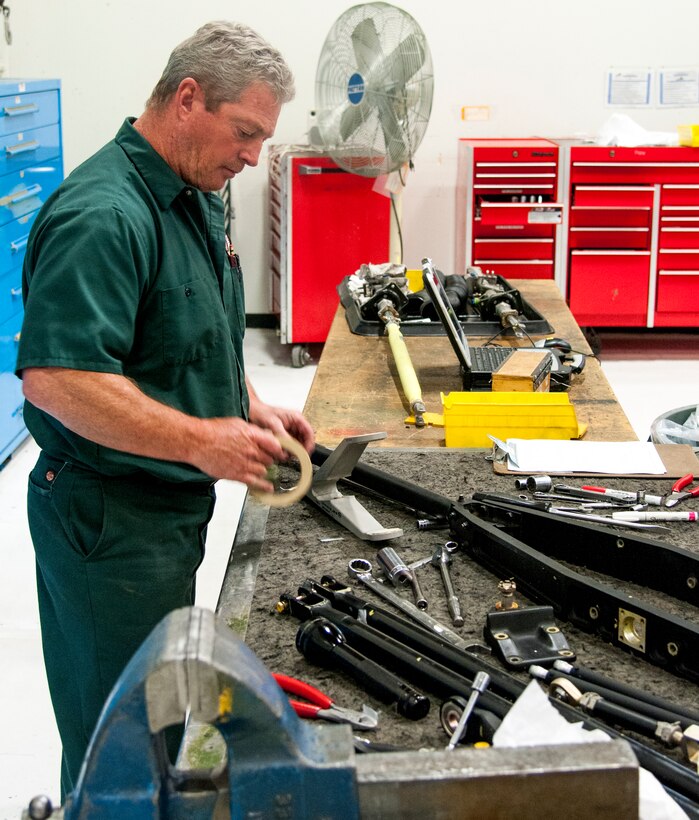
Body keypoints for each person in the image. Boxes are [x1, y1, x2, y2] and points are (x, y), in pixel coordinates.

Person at [16, 21, 314, 797]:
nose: (253, 155)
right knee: (115, 740)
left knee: (162, 720)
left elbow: (188, 335)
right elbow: (56, 379)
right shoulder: (104, 216)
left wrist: (247, 409)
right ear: (188, 98)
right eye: (244, 131)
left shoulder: (198, 193)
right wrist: (196, 439)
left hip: (166, 509)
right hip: (108, 522)